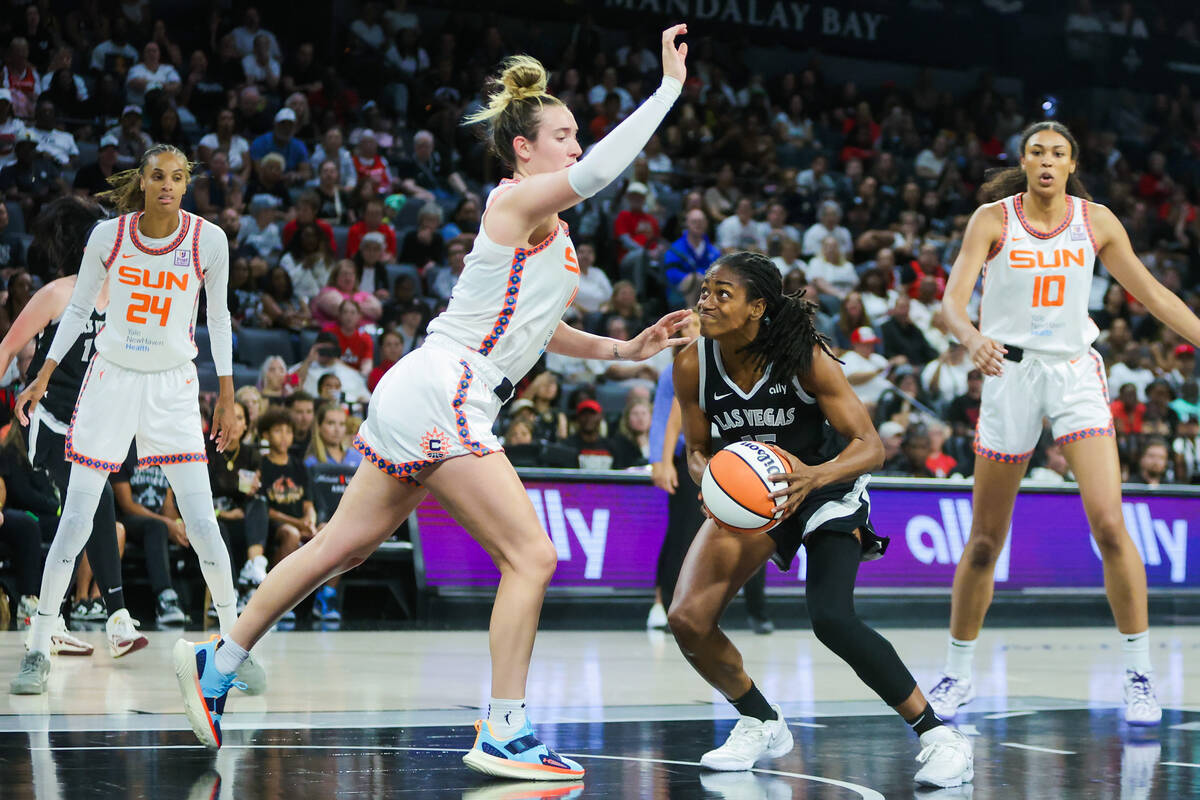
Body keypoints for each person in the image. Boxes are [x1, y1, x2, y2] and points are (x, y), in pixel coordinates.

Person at [174, 29, 693, 781]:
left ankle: (215, 664)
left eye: (579, 137)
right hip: (448, 386)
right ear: (523, 150)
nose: (578, 149)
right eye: (564, 136)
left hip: (434, 387)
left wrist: (624, 349)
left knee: (340, 549)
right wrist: (668, 91)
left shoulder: (556, 238)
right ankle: (506, 730)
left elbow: (542, 331)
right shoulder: (515, 203)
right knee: (533, 556)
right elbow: (606, 171)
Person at [927, 121, 1200, 727]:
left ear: (1072, 163)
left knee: (1109, 523)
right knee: (984, 543)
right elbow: (950, 302)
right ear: (1023, 161)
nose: (1046, 161)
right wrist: (971, 338)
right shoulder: (991, 220)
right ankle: (957, 672)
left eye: (1057, 153)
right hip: (1008, 378)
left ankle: (1139, 675)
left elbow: (1153, 295)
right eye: (1036, 152)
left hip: (1075, 374)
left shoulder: (1096, 220)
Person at [667, 251, 972, 787]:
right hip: (757, 493)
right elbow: (696, 448)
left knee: (831, 618)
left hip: (824, 484)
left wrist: (814, 475)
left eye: (722, 294)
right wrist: (708, 479)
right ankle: (760, 720)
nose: (706, 302)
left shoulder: (805, 356)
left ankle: (939, 736)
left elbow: (870, 446)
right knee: (687, 618)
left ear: (757, 306)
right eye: (705, 290)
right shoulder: (693, 361)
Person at [9, 145, 265, 696]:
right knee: (76, 520)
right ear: (143, 182)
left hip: (174, 386)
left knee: (202, 522)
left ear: (187, 182)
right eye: (158, 176)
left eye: (177, 177)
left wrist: (224, 393)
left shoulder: (207, 240)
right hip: (112, 379)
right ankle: (37, 649)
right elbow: (78, 311)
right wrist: (44, 374)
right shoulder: (111, 236)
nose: (168, 184)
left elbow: (216, 318)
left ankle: (233, 644)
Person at [0, 197, 133, 662]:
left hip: (92, 424)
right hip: (46, 422)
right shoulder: (56, 294)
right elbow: (6, 350)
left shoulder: (125, 297)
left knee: (80, 513)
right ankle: (117, 616)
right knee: (95, 499)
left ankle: (50, 617)